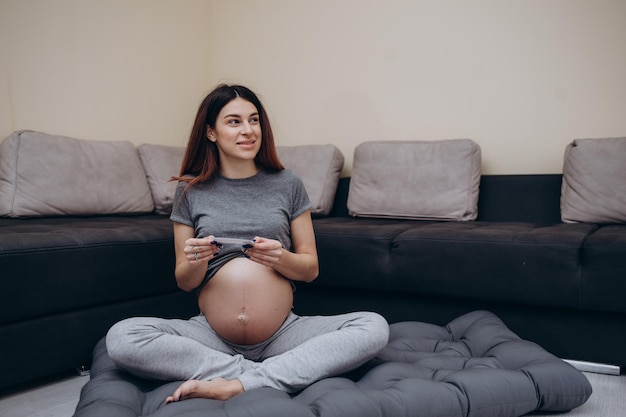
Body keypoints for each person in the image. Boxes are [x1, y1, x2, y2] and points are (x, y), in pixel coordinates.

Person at [106, 84, 389, 403]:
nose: (248, 130)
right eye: (234, 121)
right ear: (211, 132)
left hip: (283, 334)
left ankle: (236, 383)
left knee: (373, 327)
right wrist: (197, 261)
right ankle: (255, 374)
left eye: (254, 120)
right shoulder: (190, 191)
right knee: (122, 337)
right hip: (211, 337)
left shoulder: (288, 183)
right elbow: (184, 281)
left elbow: (310, 269)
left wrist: (280, 257)